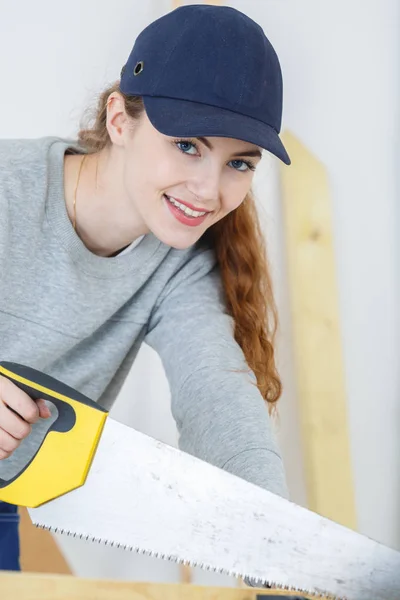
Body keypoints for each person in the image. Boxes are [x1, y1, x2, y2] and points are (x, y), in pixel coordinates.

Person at [0, 4, 290, 575]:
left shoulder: (179, 265)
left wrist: (272, 538)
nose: (209, 190)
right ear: (119, 120)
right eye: (188, 146)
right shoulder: (9, 192)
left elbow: (216, 393)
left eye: (239, 162)